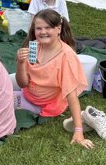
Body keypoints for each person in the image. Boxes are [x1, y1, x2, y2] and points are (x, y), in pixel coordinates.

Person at [14, 9, 94, 149]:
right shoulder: (34, 47)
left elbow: (71, 94)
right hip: (27, 92)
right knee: (1, 81)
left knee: (0, 99)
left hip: (43, 103)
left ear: (58, 29)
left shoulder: (66, 56)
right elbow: (23, 83)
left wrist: (78, 131)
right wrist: (20, 63)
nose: (43, 32)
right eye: (39, 28)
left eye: (48, 28)